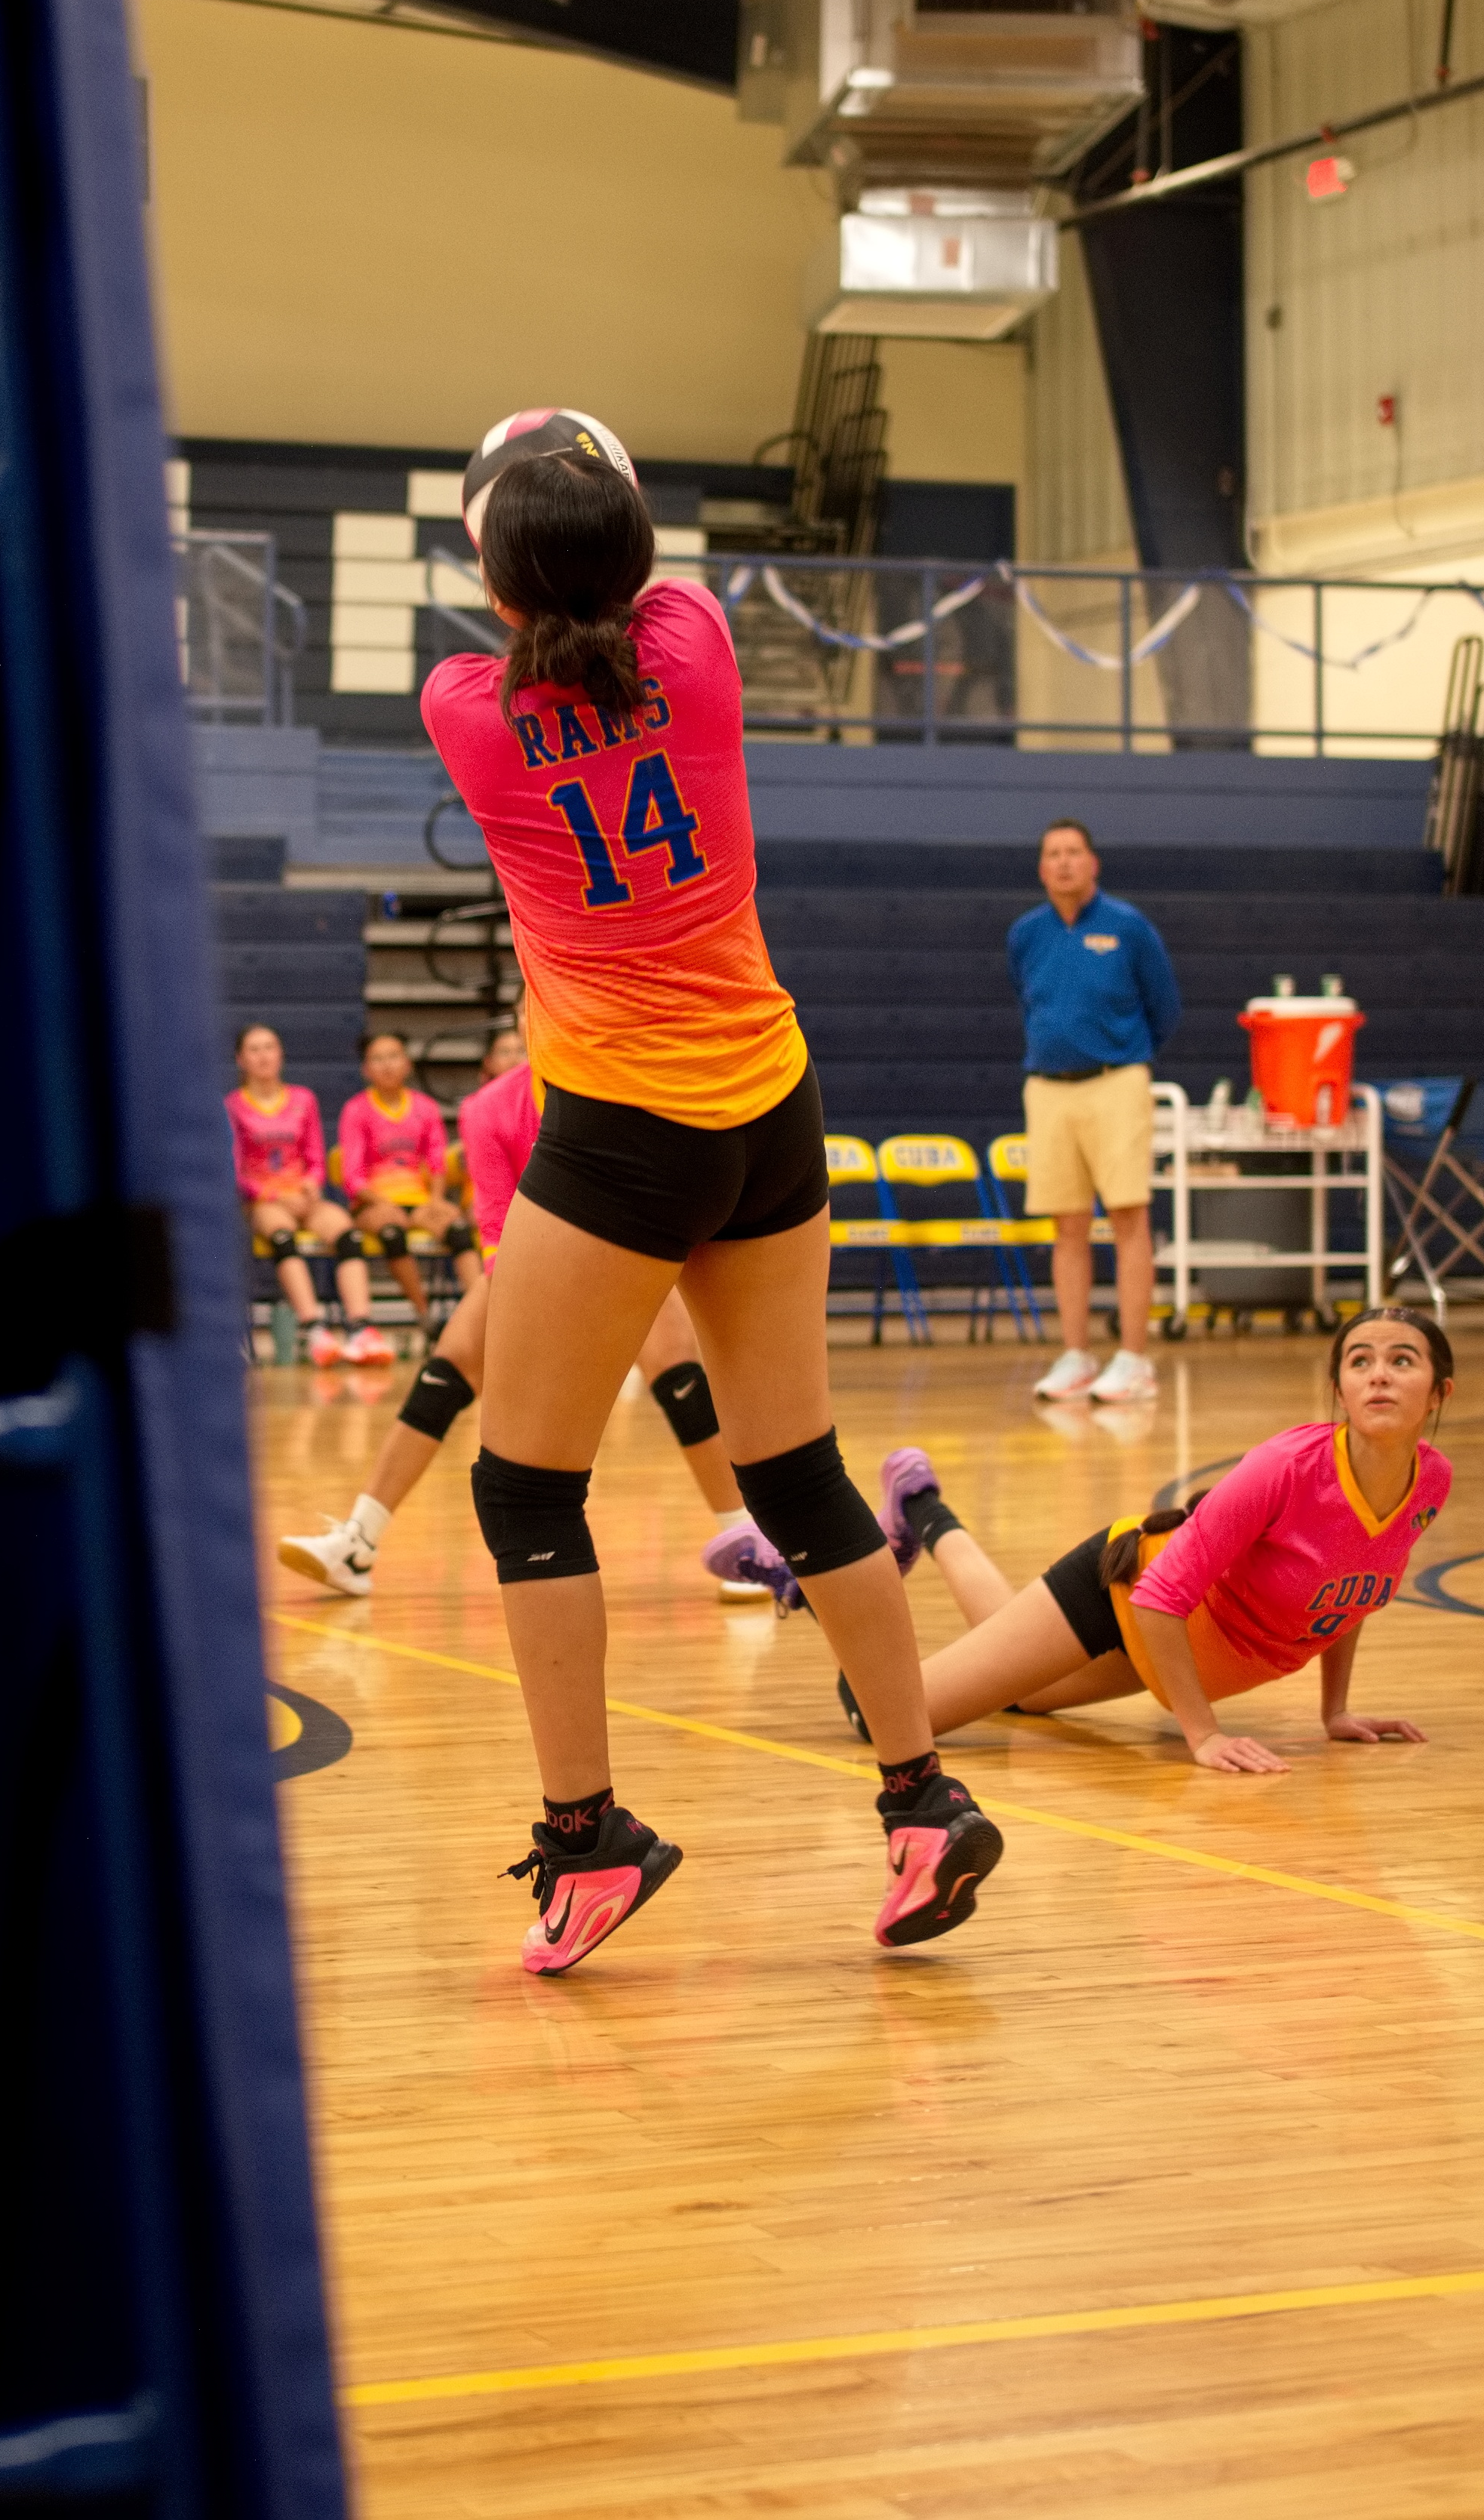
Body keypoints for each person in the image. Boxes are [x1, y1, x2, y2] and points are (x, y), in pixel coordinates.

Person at [420, 404, 1003, 1973]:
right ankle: (921, 1802)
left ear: (499, 583)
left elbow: (517, 601)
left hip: (622, 1126)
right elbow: (621, 557)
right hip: (770, 1102)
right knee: (798, 1474)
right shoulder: (695, 650)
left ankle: (584, 1834)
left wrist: (516, 509)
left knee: (524, 1486)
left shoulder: (464, 709)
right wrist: (566, 480)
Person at [818, 1307, 1449, 1770]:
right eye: (1360, 1360)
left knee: (1027, 1694)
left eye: (1402, 1360)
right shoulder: (1286, 1467)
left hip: (1168, 1651)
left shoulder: (1430, 1483)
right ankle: (822, 1566)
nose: (1379, 1376)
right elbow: (1158, 1595)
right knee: (887, 1719)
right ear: (1338, 1388)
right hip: (1121, 1593)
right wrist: (1203, 1735)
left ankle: (922, 1506)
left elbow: (1353, 1588)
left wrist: (1333, 1712)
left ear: (1439, 1392)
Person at [277, 1020, 768, 1597]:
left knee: (675, 1361)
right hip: (528, 1260)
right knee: (448, 1364)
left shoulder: (615, 1086)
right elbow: (494, 1219)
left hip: (626, 1247)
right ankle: (359, 1542)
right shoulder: (489, 1109)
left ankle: (745, 1541)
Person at [1008, 819, 1181, 1406]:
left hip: (1117, 1081)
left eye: (1073, 852)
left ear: (1093, 863)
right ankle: (1077, 1355)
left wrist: (1125, 1055)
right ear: (1041, 868)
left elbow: (1165, 1007)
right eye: (1052, 853)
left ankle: (1134, 1359)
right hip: (1048, 1088)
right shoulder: (1025, 934)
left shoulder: (1128, 927)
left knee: (1129, 1216)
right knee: (1067, 1224)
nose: (1063, 863)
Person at [226, 1025, 390, 1366]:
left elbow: (315, 1156)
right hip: (265, 1201)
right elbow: (235, 1169)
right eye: (254, 1049)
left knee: (347, 1234)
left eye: (270, 1047)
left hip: (303, 1194)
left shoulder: (303, 1099)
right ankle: (315, 1329)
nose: (263, 1056)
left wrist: (312, 1183)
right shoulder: (235, 1106)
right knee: (283, 1238)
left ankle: (360, 1328)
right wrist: (269, 1193)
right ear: (241, 1059)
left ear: (281, 1053)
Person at [335, 1028, 475, 1328]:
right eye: (378, 1059)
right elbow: (352, 1176)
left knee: (460, 1231)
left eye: (394, 1056)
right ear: (366, 1069)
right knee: (392, 1233)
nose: (387, 1065)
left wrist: (436, 1200)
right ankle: (425, 1315)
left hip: (420, 1200)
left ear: (407, 1063)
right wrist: (383, 1203)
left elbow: (438, 1160)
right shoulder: (356, 1110)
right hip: (374, 1203)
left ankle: (481, 1315)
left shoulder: (425, 1107)